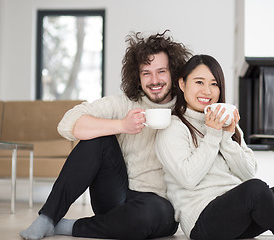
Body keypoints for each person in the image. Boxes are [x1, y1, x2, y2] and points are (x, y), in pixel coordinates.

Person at [20, 30, 192, 240]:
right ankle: (47, 218)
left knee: (148, 216)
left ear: (173, 73)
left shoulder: (186, 111)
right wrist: (121, 125)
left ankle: (68, 227)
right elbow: (67, 123)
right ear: (137, 78)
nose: (154, 80)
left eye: (161, 71)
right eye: (146, 73)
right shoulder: (125, 103)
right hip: (116, 195)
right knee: (98, 138)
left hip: (158, 205)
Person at [155, 54, 274, 240]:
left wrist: (226, 138)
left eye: (214, 84)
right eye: (199, 82)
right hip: (204, 222)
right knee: (255, 189)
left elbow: (248, 173)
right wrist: (213, 135)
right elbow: (188, 178)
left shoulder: (225, 121)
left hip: (242, 213)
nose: (207, 91)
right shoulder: (172, 128)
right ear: (183, 84)